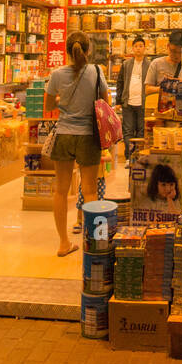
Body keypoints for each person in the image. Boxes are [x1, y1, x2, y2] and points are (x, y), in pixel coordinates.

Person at [44, 32, 107, 257]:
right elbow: (105, 103)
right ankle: (95, 244)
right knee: (90, 191)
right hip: (89, 135)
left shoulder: (57, 74)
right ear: (88, 50)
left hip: (64, 134)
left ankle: (63, 243)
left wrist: (63, 99)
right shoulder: (97, 72)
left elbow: (49, 105)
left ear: (67, 51)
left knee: (60, 191)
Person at [115, 34, 151, 153]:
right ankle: (129, 156)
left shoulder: (150, 65)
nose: (138, 48)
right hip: (128, 104)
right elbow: (120, 83)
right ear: (132, 49)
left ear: (145, 48)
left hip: (143, 104)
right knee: (128, 131)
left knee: (141, 130)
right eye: (136, 46)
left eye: (141, 46)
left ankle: (138, 155)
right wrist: (118, 101)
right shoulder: (126, 64)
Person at [144, 30, 182, 97]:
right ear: (168, 46)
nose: (177, 56)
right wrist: (165, 88)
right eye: (173, 51)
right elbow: (147, 90)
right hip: (163, 106)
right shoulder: (156, 63)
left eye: (181, 52)